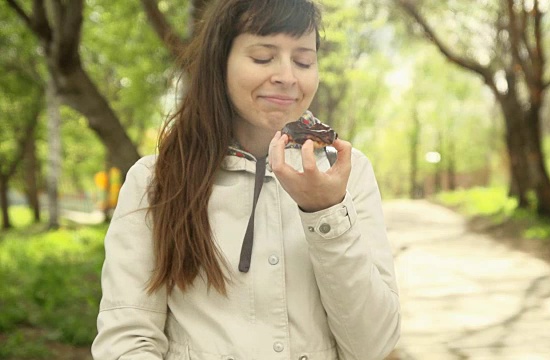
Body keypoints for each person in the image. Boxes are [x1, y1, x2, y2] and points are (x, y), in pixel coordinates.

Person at [91, 0, 400, 359]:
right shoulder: (155, 180)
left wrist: (325, 212)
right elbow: (127, 341)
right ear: (219, 63)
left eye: (303, 60)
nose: (287, 76)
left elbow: (373, 346)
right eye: (263, 58)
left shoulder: (347, 173)